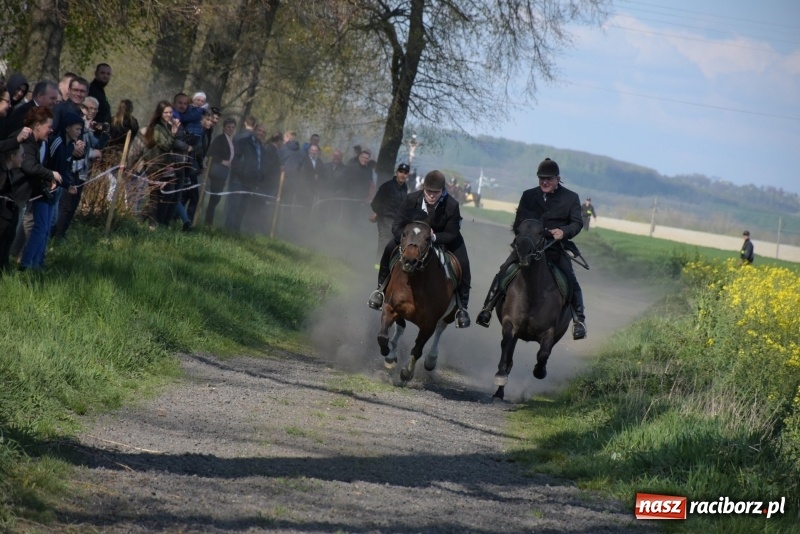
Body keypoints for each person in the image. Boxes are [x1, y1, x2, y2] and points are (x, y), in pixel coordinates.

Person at [475, 157, 587, 340]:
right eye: (541, 178)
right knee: (504, 270)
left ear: (557, 179)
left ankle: (579, 321)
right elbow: (518, 221)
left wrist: (563, 232)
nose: (544, 181)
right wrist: (532, 234)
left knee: (570, 278)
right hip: (528, 247)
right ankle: (487, 309)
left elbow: (577, 223)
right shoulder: (528, 195)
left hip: (554, 248)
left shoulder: (571, 198)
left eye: (548, 178)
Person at [368, 170, 472, 329]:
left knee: (464, 264)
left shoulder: (452, 205)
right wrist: (405, 238)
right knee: (389, 249)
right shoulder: (410, 199)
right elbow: (397, 224)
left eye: (436, 193)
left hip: (443, 237)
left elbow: (452, 232)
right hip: (412, 238)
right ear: (423, 188)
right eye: (429, 192)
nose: (431, 196)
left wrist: (434, 238)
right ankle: (379, 291)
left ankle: (462, 307)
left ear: (442, 191)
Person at [369, 163, 410, 267]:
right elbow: (376, 202)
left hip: (397, 221)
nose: (402, 175)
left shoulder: (405, 188)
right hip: (385, 218)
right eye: (401, 172)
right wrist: (379, 214)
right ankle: (378, 265)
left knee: (395, 242)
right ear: (397, 172)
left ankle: (388, 265)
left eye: (405, 173)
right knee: (385, 240)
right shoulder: (387, 186)